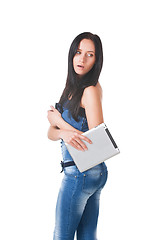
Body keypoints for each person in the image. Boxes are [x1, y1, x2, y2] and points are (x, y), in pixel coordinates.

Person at [47, 32, 108, 240]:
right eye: (78, 52)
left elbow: (98, 143)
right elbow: (50, 133)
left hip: (80, 173)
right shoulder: (71, 88)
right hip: (89, 173)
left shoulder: (90, 90)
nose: (82, 59)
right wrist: (60, 129)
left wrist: (59, 123)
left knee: (61, 236)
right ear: (72, 54)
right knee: (87, 236)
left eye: (90, 54)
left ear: (96, 60)